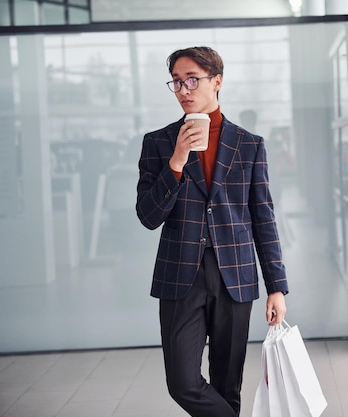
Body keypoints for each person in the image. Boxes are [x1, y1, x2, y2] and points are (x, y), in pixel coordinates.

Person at [136, 46, 288, 417]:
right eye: (176, 82)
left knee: (226, 384)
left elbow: (262, 218)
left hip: (234, 276)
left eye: (192, 79)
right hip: (179, 277)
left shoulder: (249, 145)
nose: (183, 89)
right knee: (184, 383)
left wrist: (277, 286)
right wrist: (175, 162)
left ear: (217, 81)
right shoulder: (157, 143)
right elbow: (148, 215)